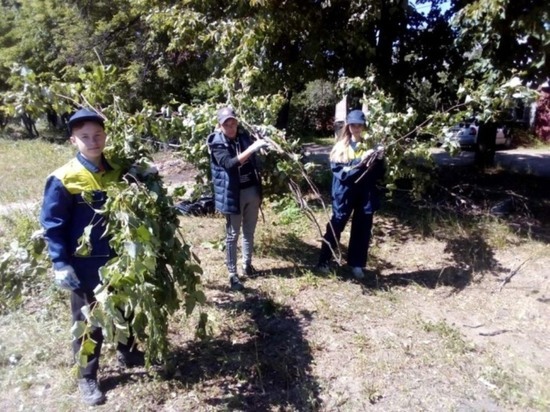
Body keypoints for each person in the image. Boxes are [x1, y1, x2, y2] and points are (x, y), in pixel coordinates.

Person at [40, 108, 144, 406]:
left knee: (124, 307)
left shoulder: (115, 171)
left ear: (105, 137)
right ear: (74, 140)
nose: (93, 141)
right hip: (84, 264)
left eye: (98, 135)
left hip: (118, 259)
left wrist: (143, 177)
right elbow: (52, 224)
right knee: (88, 321)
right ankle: (87, 376)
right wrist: (60, 262)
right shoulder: (63, 178)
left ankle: (127, 350)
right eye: (85, 136)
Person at [316, 109, 385, 279]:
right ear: (348, 126)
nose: (356, 127)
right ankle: (324, 260)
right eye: (353, 124)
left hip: (365, 194)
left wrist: (380, 159)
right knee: (336, 224)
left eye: (359, 124)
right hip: (344, 193)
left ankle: (356, 264)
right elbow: (343, 174)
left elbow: (379, 175)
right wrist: (360, 162)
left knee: (363, 228)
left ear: (364, 126)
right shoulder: (340, 148)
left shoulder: (370, 146)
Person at [206, 107, 269, 291]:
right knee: (233, 234)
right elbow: (230, 164)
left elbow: (256, 146)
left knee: (249, 231)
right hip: (233, 193)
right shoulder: (217, 144)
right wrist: (251, 149)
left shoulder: (243, 137)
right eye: (227, 124)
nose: (231, 127)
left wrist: (259, 137)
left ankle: (247, 265)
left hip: (251, 190)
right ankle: (233, 274)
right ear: (220, 125)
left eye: (233, 123)